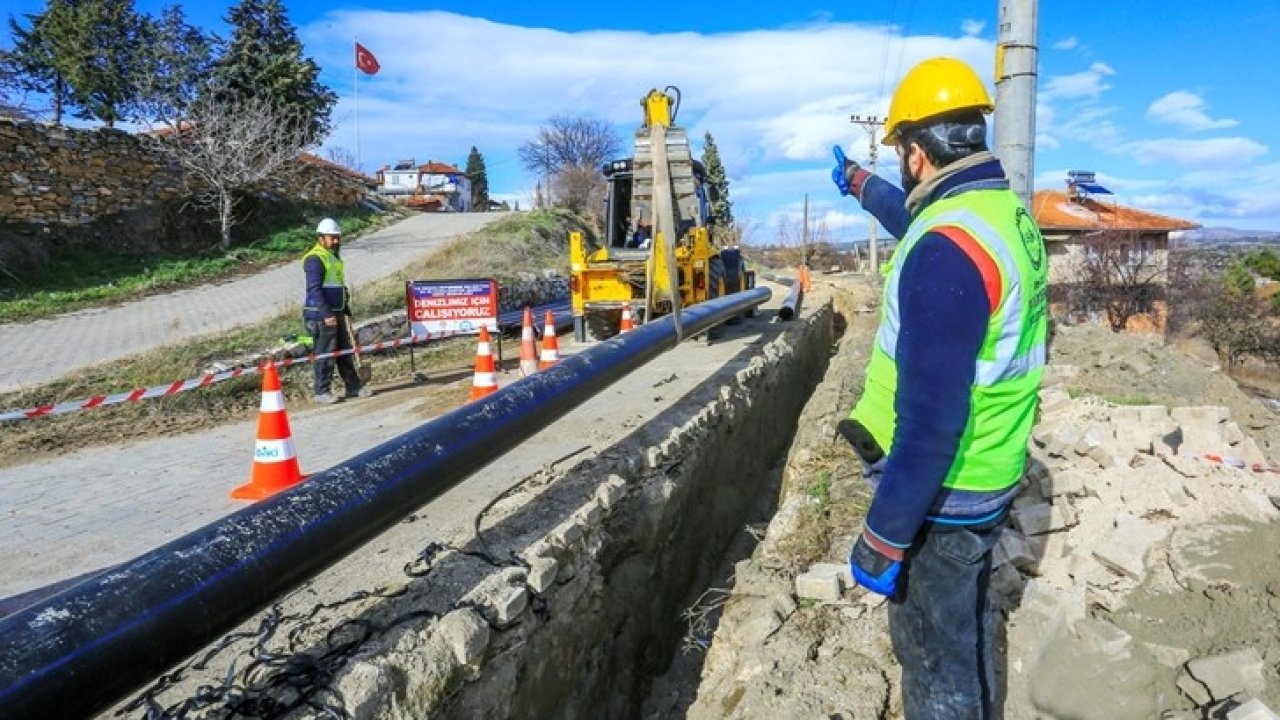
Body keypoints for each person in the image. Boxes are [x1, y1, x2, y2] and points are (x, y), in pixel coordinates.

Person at [830, 56, 1048, 719]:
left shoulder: (946, 252)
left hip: (947, 489)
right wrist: (861, 184)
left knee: (933, 652)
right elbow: (916, 219)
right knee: (967, 624)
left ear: (918, 153)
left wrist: (885, 535)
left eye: (899, 151)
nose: (901, 163)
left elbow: (930, 420)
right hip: (993, 465)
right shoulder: (998, 215)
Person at [302, 218, 372, 404]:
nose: (336, 241)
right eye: (331, 238)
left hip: (337, 312)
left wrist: (344, 307)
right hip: (320, 315)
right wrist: (327, 314)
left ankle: (353, 387)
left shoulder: (332, 257)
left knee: (344, 351)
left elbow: (336, 285)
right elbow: (314, 289)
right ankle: (321, 391)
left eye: (337, 237)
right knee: (325, 353)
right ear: (320, 238)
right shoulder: (314, 259)